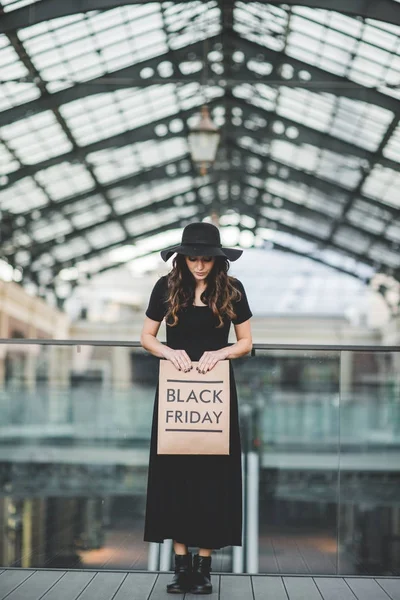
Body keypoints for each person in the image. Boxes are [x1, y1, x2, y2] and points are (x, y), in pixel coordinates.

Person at [140, 221, 253, 595]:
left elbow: (246, 343)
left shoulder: (232, 290)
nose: (200, 266)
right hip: (176, 393)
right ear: (182, 258)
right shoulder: (166, 287)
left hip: (215, 393)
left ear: (218, 260)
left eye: (207, 259)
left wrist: (220, 352)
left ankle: (203, 569)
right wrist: (169, 352)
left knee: (212, 476)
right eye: (193, 259)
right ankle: (181, 568)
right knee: (174, 474)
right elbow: (146, 337)